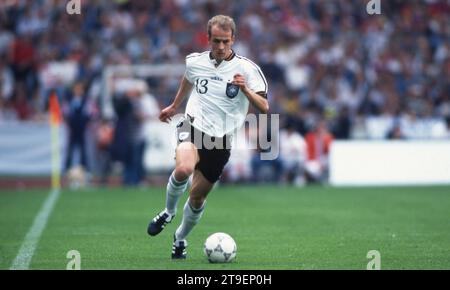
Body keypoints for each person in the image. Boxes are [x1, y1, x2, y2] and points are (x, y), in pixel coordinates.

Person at [147, 15, 269, 259]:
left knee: (196, 198)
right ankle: (169, 212)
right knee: (183, 169)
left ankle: (180, 238)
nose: (221, 47)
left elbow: (264, 107)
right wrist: (174, 106)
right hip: (192, 126)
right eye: (216, 41)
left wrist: (245, 89)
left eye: (225, 41)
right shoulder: (195, 61)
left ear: (233, 39)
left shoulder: (248, 69)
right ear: (208, 38)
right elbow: (188, 79)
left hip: (220, 141)